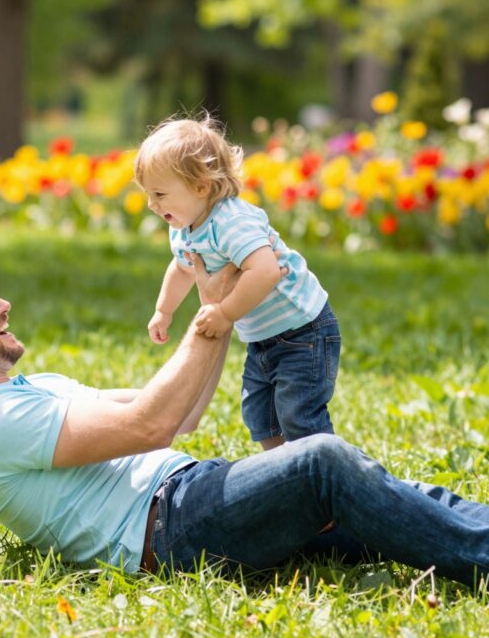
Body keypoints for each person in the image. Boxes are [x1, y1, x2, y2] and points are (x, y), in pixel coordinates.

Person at [0, 249, 489, 596]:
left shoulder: (23, 390)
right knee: (324, 464)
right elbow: (150, 424)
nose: (1, 302)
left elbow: (168, 417)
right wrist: (207, 321)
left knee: (398, 502)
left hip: (193, 492)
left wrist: (227, 306)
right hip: (172, 534)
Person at [136, 116, 340, 451]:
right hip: (263, 338)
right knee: (260, 417)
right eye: (147, 194)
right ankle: (282, 474)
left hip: (304, 330)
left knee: (298, 416)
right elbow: (182, 266)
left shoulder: (232, 221)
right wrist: (164, 310)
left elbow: (265, 271)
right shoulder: (184, 226)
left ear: (201, 187)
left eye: (159, 193)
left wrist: (224, 312)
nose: (151, 204)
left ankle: (326, 470)